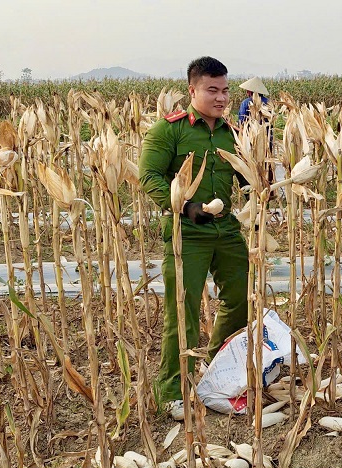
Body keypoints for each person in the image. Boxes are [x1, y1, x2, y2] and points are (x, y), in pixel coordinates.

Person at [139, 56, 249, 420]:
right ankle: (172, 389)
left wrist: (257, 181)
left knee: (240, 298)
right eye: (212, 90)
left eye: (225, 90)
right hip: (188, 234)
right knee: (181, 313)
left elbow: (245, 175)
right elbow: (150, 177)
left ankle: (214, 367)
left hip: (227, 230)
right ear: (193, 91)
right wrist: (185, 206)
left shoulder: (233, 133)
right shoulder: (168, 131)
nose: (221, 98)